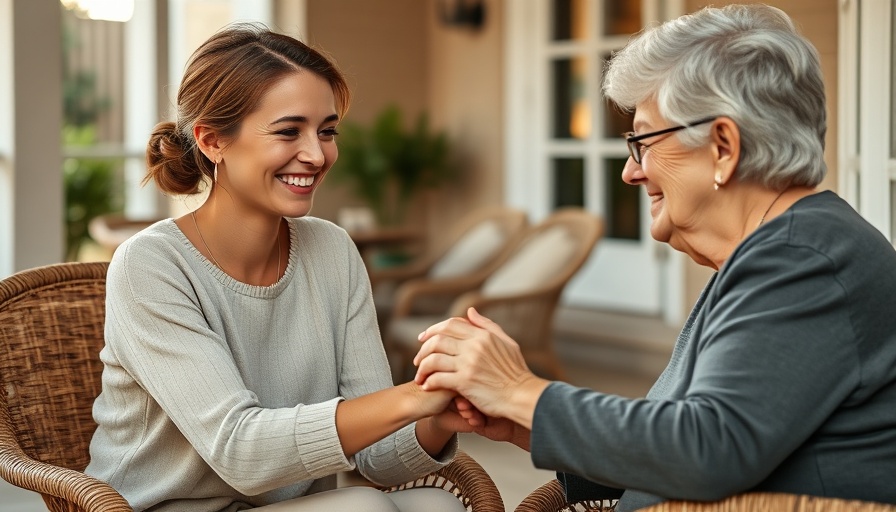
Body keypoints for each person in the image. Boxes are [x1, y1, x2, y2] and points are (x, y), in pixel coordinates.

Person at [413, 4, 896, 511]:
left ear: (723, 147)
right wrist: (526, 424)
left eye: (642, 141)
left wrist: (518, 390)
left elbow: (706, 450)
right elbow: (684, 445)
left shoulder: (804, 259)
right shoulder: (778, 253)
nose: (629, 172)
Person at [85, 23, 470, 512]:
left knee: (440, 506)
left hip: (288, 506)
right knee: (359, 508)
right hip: (162, 507)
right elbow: (240, 453)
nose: (316, 154)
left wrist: (443, 410)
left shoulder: (332, 250)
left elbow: (377, 458)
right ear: (212, 141)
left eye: (326, 131)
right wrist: (414, 398)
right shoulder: (151, 264)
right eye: (289, 131)